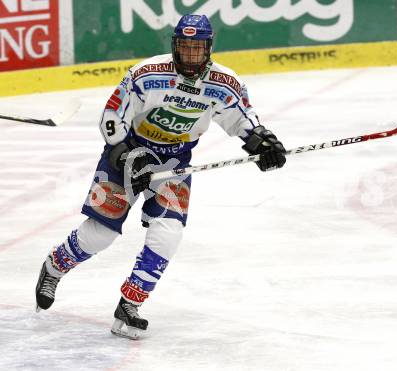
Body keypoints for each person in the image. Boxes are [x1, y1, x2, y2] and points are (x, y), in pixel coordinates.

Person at [35, 14, 287, 340]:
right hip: (128, 152)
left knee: (168, 232)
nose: (191, 56)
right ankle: (54, 267)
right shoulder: (147, 74)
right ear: (175, 46)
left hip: (173, 161)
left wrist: (261, 142)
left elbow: (242, 120)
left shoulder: (224, 84)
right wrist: (122, 154)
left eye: (197, 49)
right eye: (185, 47)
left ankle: (130, 302)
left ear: (208, 49)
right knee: (100, 235)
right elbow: (114, 116)